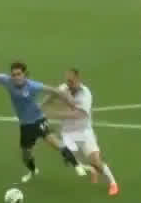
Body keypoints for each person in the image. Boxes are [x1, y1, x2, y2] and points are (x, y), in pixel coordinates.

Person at [0, 53, 84, 183]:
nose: (16, 77)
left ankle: (77, 165)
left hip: (39, 120)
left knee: (55, 143)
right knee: (25, 156)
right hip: (25, 126)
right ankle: (33, 171)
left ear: (25, 74)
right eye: (13, 75)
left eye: (18, 74)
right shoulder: (7, 81)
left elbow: (55, 91)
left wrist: (70, 102)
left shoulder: (33, 86)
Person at [44, 68, 120, 196]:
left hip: (84, 132)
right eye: (67, 81)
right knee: (69, 158)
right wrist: (42, 105)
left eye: (71, 81)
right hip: (68, 133)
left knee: (95, 160)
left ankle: (113, 183)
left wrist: (54, 114)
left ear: (78, 79)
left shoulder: (86, 94)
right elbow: (53, 94)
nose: (69, 84)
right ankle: (92, 170)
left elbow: (78, 115)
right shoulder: (64, 88)